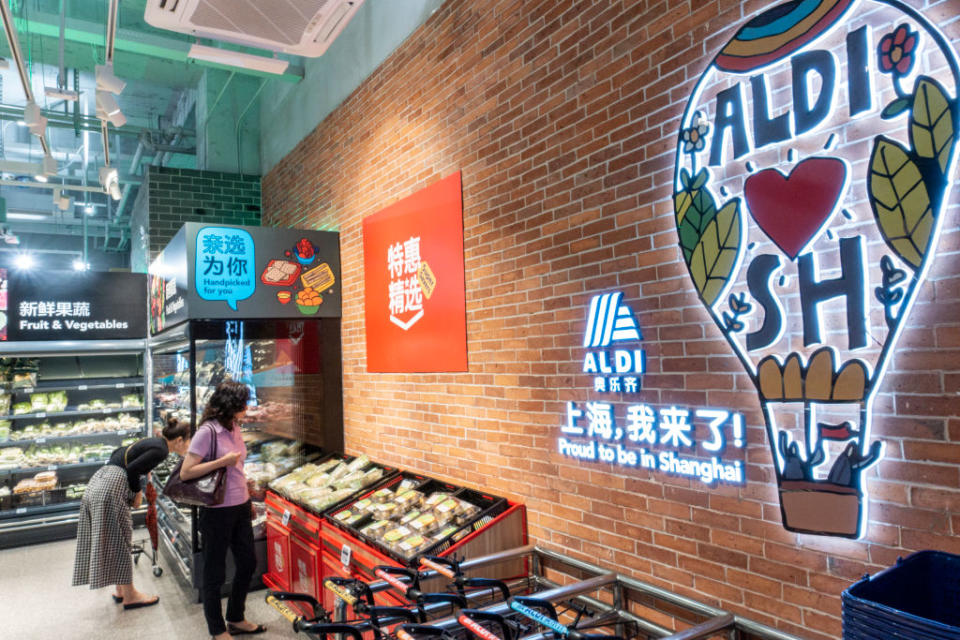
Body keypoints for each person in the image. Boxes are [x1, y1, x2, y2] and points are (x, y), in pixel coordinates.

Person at [72, 415, 190, 608]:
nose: (189, 447)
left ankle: (121, 590)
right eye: (189, 442)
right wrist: (137, 493)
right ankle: (130, 595)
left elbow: (119, 453)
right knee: (122, 539)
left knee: (113, 538)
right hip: (112, 487)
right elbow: (133, 469)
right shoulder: (161, 450)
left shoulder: (155, 441)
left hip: (101, 480)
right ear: (179, 440)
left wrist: (144, 473)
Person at [180, 380, 265, 639]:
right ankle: (217, 629)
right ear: (231, 405)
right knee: (214, 571)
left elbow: (237, 469)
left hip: (240, 506)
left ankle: (236, 617)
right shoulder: (208, 431)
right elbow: (186, 472)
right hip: (216, 510)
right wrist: (222, 462)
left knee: (248, 562)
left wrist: (248, 499)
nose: (247, 407)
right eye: (243, 402)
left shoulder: (235, 427)